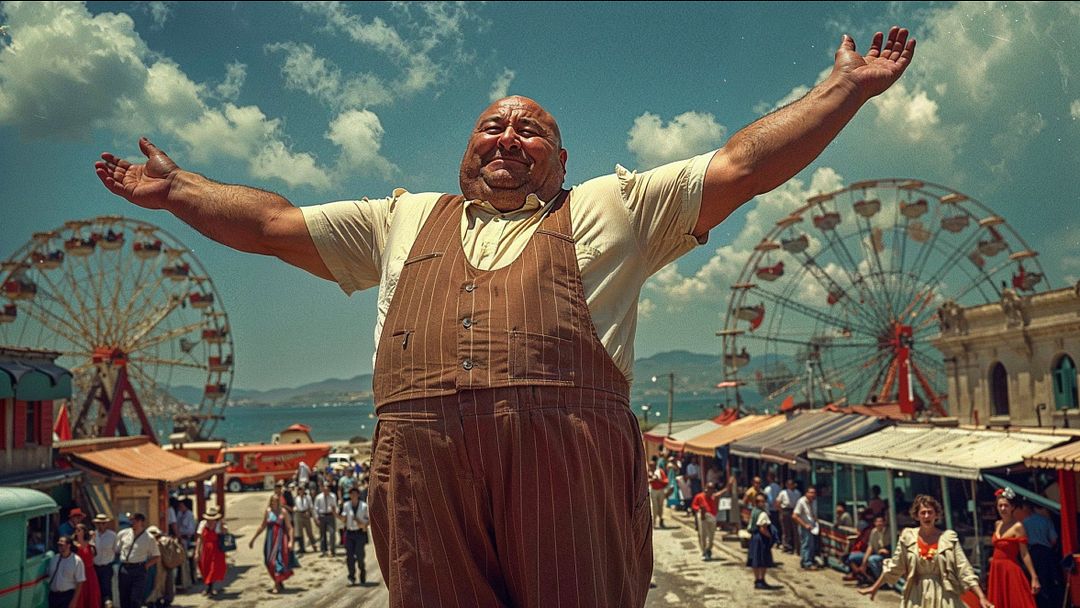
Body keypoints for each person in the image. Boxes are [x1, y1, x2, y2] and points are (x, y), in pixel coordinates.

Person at [94, 25, 916, 607]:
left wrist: (842, 90)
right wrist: (180, 192)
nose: (507, 137)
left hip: (571, 473)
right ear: (465, 150)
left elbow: (742, 164)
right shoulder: (404, 217)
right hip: (421, 483)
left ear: (563, 161)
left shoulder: (611, 207)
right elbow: (273, 225)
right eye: (491, 125)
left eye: (531, 130)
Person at [861, 494, 991, 608]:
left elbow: (964, 569)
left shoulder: (947, 538)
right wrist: (874, 588)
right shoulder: (908, 537)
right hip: (917, 595)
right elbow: (895, 567)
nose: (926, 516)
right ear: (917, 516)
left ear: (936, 515)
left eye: (930, 512)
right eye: (923, 513)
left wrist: (981, 596)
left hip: (944, 594)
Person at [987, 488, 1039, 608]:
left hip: (1010, 570)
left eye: (1006, 505)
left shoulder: (1018, 526)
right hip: (996, 569)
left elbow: (1024, 553)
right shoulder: (997, 524)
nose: (1003, 509)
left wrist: (1034, 577)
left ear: (1012, 507)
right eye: (1000, 506)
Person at [250, 493, 294, 593]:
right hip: (270, 540)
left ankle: (276, 585)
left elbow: (289, 527)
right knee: (268, 561)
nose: (275, 503)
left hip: (280, 540)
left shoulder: (283, 512)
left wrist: (291, 541)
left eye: (277, 501)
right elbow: (262, 526)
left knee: (277, 561)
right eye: (273, 501)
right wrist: (253, 539)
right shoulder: (268, 512)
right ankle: (278, 580)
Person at [1021, 503, 1062, 608]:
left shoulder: (1024, 523)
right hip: (1046, 553)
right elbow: (1054, 539)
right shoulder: (1046, 521)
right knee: (1049, 581)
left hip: (1032, 553)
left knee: (1034, 580)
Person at [115, 513, 159, 608]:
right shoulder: (123, 534)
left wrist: (145, 566)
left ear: (142, 522)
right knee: (124, 597)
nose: (133, 522)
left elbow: (156, 556)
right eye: (132, 520)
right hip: (124, 568)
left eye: (136, 520)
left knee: (135, 598)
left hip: (139, 568)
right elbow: (117, 549)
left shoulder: (149, 538)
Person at [845, 515, 890, 585]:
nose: (879, 523)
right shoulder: (874, 531)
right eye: (877, 522)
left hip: (886, 555)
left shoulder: (889, 531)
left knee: (872, 559)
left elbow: (891, 547)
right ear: (874, 523)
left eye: (881, 522)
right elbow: (870, 547)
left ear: (884, 522)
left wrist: (886, 550)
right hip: (875, 553)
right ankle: (861, 576)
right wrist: (863, 563)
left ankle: (881, 582)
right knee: (852, 557)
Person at [339, 486, 370, 585]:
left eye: (355, 493)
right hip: (349, 533)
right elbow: (344, 518)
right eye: (351, 494)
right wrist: (339, 516)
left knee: (360, 556)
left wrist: (362, 523)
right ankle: (351, 577)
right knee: (349, 556)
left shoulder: (364, 506)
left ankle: (362, 573)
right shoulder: (346, 505)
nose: (353, 495)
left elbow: (368, 520)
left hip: (360, 533)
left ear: (358, 494)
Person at [194, 506, 228, 597]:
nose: (211, 520)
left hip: (216, 549)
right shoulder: (202, 524)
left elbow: (225, 533)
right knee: (205, 568)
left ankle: (210, 588)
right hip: (205, 549)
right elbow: (199, 539)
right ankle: (209, 588)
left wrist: (222, 525)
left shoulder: (218, 524)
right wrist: (197, 551)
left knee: (213, 568)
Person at [746, 493, 776, 590]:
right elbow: (762, 528)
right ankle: (761, 580)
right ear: (756, 502)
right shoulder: (762, 513)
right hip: (761, 538)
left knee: (756, 559)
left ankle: (757, 580)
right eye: (760, 501)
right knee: (762, 560)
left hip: (754, 537)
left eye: (763, 501)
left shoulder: (754, 511)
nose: (762, 503)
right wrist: (770, 536)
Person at [47, 536, 86, 608]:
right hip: (53, 596)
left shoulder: (77, 561)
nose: (60, 547)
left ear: (69, 545)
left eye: (62, 545)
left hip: (67, 596)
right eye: (58, 545)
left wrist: (74, 601)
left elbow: (80, 583)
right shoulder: (54, 559)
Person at [91, 513, 117, 608]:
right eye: (99, 524)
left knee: (106, 589)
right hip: (95, 566)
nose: (100, 526)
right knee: (96, 589)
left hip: (106, 566)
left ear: (106, 524)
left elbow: (116, 550)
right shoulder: (93, 535)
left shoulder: (112, 536)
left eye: (103, 523)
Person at [71, 525, 100, 608]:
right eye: (76, 529)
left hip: (90, 573)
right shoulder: (73, 545)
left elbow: (94, 555)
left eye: (79, 529)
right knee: (80, 595)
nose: (77, 531)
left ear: (84, 531)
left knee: (92, 594)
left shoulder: (90, 544)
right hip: (79, 573)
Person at [690, 482, 720, 561]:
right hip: (703, 516)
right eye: (709, 489)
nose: (710, 491)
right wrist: (700, 508)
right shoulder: (699, 496)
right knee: (703, 534)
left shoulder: (714, 497)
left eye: (712, 489)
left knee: (711, 535)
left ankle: (709, 548)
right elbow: (694, 505)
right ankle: (705, 550)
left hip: (712, 517)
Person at [793, 485, 820, 569]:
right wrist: (804, 525)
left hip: (813, 527)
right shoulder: (801, 501)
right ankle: (807, 563)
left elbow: (813, 514)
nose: (812, 494)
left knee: (811, 545)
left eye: (814, 493)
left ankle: (808, 560)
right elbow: (794, 516)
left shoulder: (814, 501)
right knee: (806, 544)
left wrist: (816, 522)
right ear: (806, 493)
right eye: (811, 492)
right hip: (805, 526)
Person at [777, 478, 802, 553]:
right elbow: (778, 502)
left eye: (792, 484)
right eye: (789, 484)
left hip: (794, 510)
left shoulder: (798, 493)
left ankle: (796, 547)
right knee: (786, 530)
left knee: (795, 530)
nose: (790, 485)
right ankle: (787, 546)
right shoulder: (783, 493)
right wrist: (781, 512)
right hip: (786, 511)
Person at [313, 483, 338, 556]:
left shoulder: (333, 496)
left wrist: (336, 512)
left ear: (329, 489)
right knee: (322, 534)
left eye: (327, 489)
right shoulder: (318, 497)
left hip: (330, 515)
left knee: (332, 533)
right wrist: (316, 518)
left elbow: (335, 506)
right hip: (322, 516)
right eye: (324, 489)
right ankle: (323, 550)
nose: (326, 491)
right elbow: (315, 508)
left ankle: (332, 550)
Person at [293, 485, 318, 554]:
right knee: (300, 532)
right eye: (299, 490)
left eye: (302, 490)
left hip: (306, 514)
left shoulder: (307, 497)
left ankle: (314, 545)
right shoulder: (296, 498)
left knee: (309, 531)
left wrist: (310, 513)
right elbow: (295, 506)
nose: (301, 491)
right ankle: (302, 548)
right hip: (299, 514)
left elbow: (311, 506)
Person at [648, 455, 669, 529]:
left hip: (660, 490)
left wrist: (657, 480)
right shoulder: (648, 472)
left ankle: (661, 520)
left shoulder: (660, 471)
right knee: (654, 507)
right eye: (650, 466)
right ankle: (654, 523)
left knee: (660, 506)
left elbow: (666, 481)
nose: (651, 467)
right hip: (653, 490)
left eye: (652, 466)